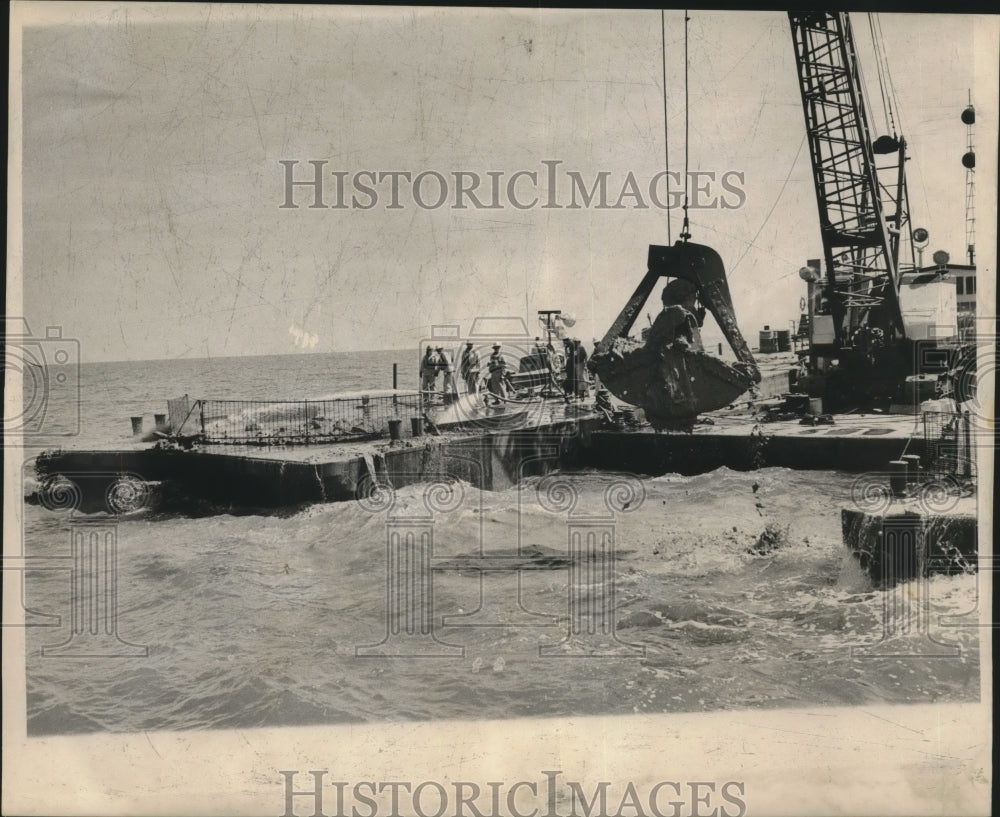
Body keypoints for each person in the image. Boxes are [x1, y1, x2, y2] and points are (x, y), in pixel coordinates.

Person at [645, 278, 705, 354]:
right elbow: (698, 347)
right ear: (685, 298)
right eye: (693, 297)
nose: (694, 300)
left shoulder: (665, 315)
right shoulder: (682, 314)